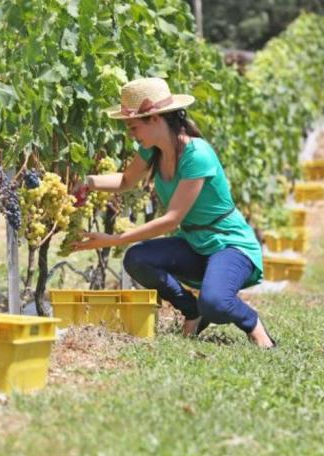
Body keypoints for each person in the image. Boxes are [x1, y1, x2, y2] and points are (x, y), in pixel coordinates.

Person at [72, 77, 275, 348]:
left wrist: (114, 239)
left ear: (155, 119)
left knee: (215, 303)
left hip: (230, 244)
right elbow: (125, 181)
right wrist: (88, 181)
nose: (131, 134)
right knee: (137, 259)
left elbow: (172, 220)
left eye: (133, 126)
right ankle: (192, 310)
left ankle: (252, 324)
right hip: (194, 243)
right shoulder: (151, 151)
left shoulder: (196, 155)